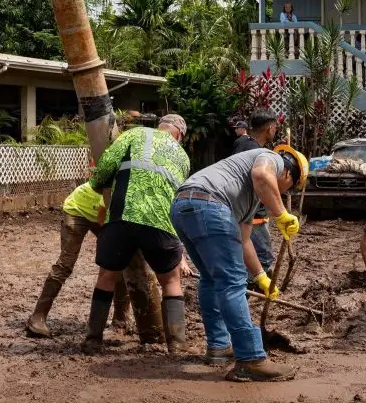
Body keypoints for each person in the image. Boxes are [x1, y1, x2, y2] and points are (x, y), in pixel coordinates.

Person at [170, 145, 307, 382]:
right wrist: (282, 214)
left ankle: (220, 345)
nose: (286, 193)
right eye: (290, 188)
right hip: (210, 205)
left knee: (211, 279)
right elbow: (262, 175)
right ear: (287, 174)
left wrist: (261, 277)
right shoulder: (272, 158)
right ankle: (251, 358)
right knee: (232, 283)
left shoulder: (247, 198)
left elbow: (244, 240)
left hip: (182, 205)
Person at [81, 115, 191, 355]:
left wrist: (98, 184)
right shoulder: (183, 156)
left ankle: (93, 340)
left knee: (107, 276)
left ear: (159, 126)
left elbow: (105, 165)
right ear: (180, 136)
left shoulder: (135, 134)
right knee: (171, 281)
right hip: (160, 222)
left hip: (123, 215)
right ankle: (177, 345)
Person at [25, 181, 132, 338]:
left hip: (101, 211)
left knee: (119, 260)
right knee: (65, 264)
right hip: (77, 208)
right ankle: (37, 318)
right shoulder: (117, 186)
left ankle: (120, 321)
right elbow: (105, 216)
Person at [229, 110, 280, 283]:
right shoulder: (258, 153)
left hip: (238, 207)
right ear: (270, 128)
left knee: (243, 250)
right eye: (275, 128)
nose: (275, 131)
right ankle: (249, 288)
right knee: (263, 256)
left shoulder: (242, 143)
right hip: (252, 212)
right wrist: (279, 212)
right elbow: (260, 179)